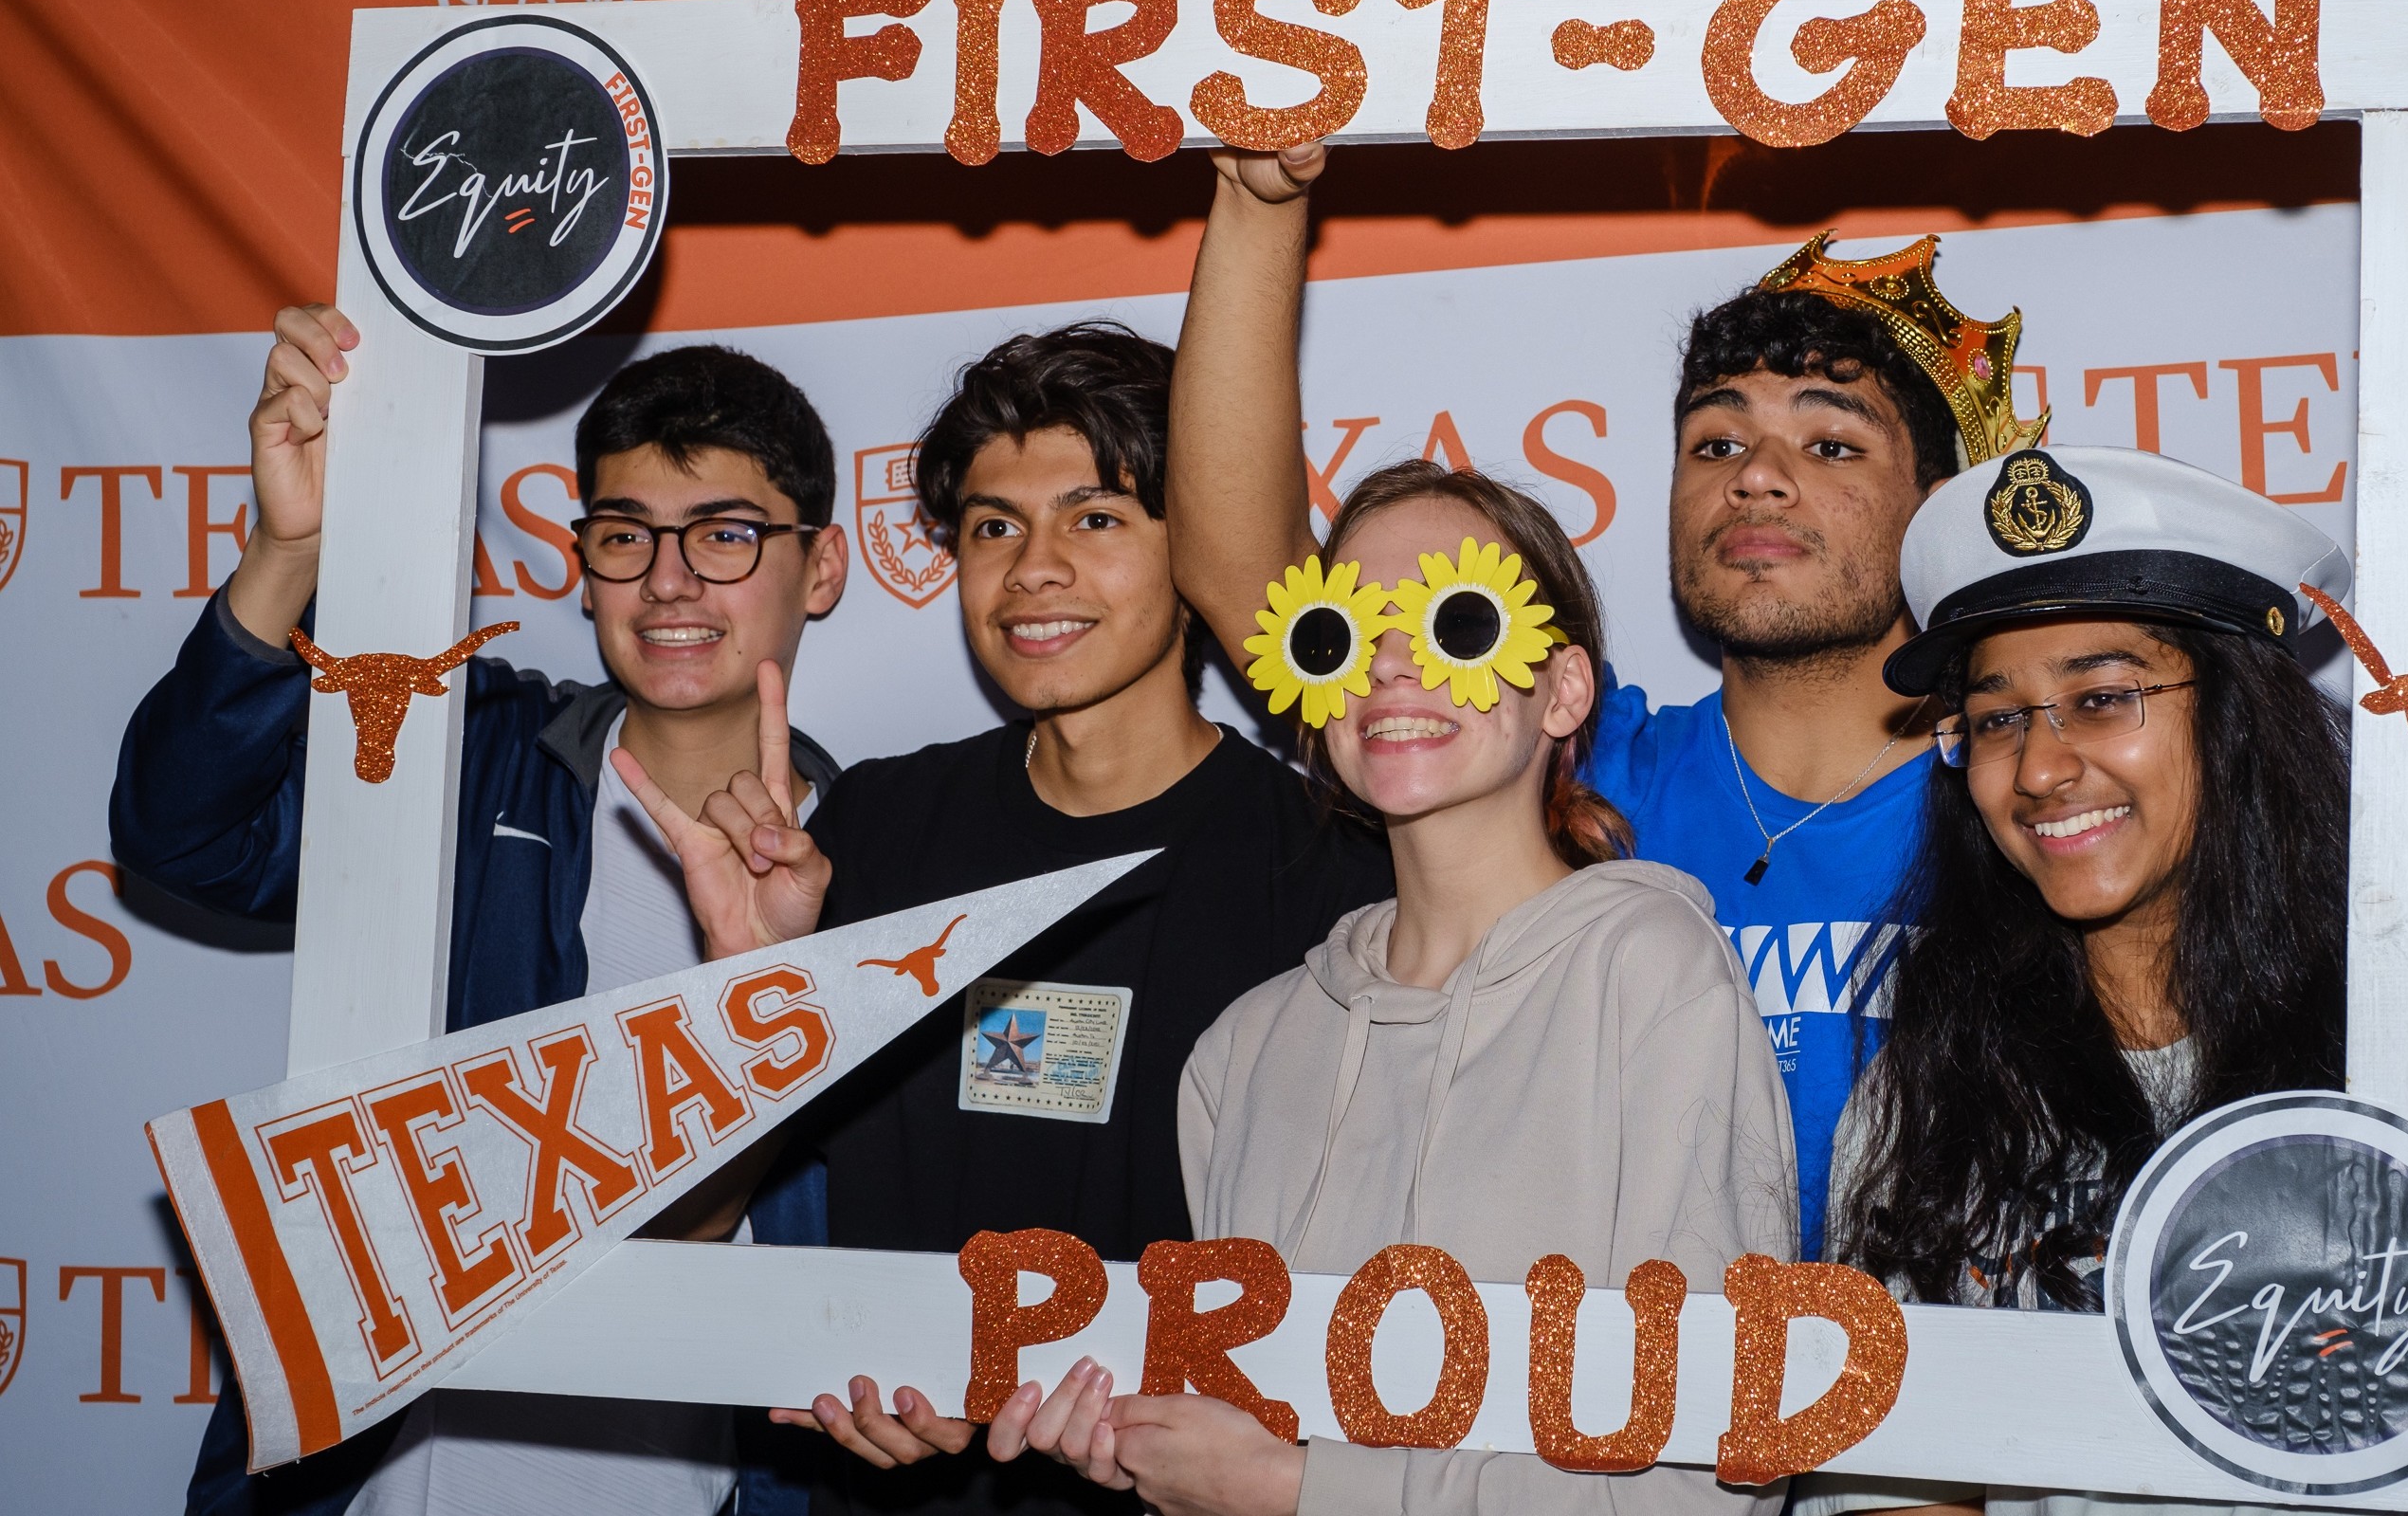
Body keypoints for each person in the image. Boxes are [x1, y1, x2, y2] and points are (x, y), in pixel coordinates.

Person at [1160, 132, 2038, 1254]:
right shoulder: (1585, 768)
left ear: (1940, 510)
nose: (1756, 473)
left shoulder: (2025, 803)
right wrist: (1254, 197)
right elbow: (1256, 582)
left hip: (1947, 1407)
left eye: (1829, 442)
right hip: (1612, 1407)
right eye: (1715, 439)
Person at [1793, 447, 2408, 1515]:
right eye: (1998, 717)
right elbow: (1908, 1480)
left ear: (2237, 713)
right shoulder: (1935, 1069)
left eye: (2103, 696)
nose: (2042, 767)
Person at [624, 321, 1395, 1516]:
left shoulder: (1336, 866)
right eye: (994, 526)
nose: (1033, 567)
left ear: (1194, 557)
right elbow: (681, 1244)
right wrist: (754, 989)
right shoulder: (871, 829)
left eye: (1095, 518)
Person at [113, 306, 852, 1516]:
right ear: (582, 557)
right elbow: (180, 830)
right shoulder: (472, 751)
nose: (669, 582)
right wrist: (289, 551)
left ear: (820, 565)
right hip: (375, 1478)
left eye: (724, 535)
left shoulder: (889, 862)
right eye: (626, 534)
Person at [991, 461, 1796, 1515]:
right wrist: (1150, 1447)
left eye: (1456, 623)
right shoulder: (1244, 1049)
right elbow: (1238, 1434)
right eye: (1345, 635)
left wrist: (1301, 1487)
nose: (1394, 666)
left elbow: (1711, 1485)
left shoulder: (1649, 972)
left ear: (1563, 689)